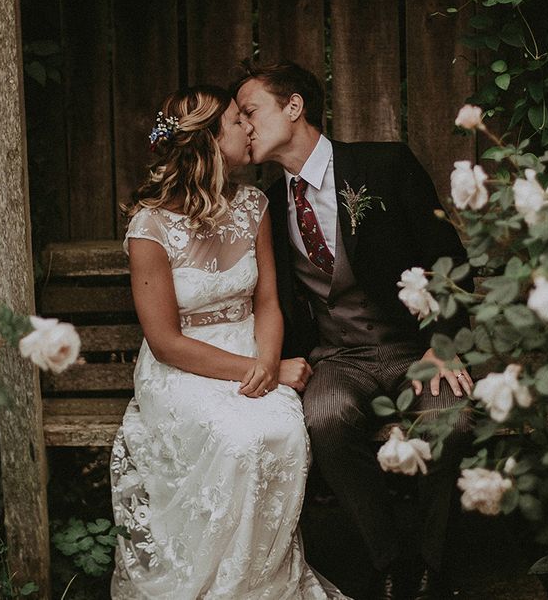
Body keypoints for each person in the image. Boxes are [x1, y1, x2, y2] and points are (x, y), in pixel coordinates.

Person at [234, 62, 474, 600]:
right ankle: (389, 559)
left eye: (250, 112)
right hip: (338, 357)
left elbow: (449, 261)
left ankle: (435, 567)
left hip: (416, 349)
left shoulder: (385, 165)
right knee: (324, 418)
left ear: (293, 107)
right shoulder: (270, 206)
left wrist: (445, 346)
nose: (244, 126)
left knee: (449, 422)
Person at [109, 85, 351, 599]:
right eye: (237, 122)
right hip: (183, 367)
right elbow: (166, 341)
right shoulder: (149, 226)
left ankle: (260, 584)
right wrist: (254, 370)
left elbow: (267, 301)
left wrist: (268, 360)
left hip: (251, 347)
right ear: (210, 143)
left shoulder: (253, 205)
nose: (248, 128)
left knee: (283, 431)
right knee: (238, 441)